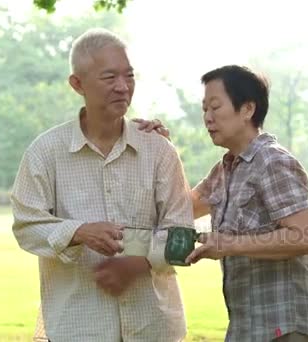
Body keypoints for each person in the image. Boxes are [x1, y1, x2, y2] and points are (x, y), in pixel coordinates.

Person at [10, 28, 194, 342]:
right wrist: (78, 232)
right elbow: (27, 227)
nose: (123, 87)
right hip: (77, 327)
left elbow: (184, 237)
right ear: (77, 84)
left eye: (129, 76)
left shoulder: (158, 150)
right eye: (109, 78)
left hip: (153, 327)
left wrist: (136, 264)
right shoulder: (46, 152)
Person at [137, 65, 308, 341]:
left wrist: (226, 245)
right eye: (204, 110)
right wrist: (162, 149)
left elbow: (306, 237)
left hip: (283, 329)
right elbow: (180, 208)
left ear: (247, 109)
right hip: (246, 328)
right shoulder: (225, 169)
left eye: (215, 107)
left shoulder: (272, 161)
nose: (208, 118)